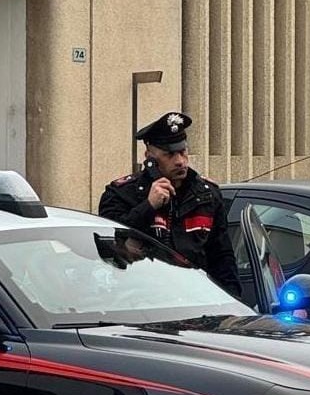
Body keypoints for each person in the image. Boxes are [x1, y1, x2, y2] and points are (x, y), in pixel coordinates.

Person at [98, 111, 242, 297]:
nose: (180, 161)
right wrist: (148, 206)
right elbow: (109, 251)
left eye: (182, 152)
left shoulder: (207, 194)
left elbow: (222, 258)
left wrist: (234, 304)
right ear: (149, 157)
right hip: (141, 301)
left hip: (196, 301)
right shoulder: (121, 194)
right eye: (170, 155)